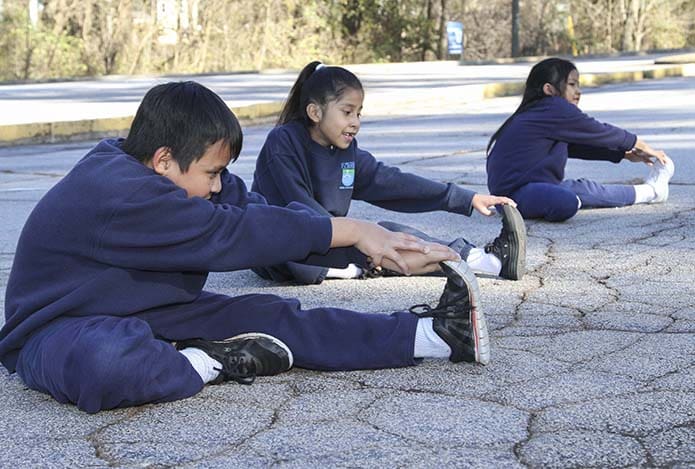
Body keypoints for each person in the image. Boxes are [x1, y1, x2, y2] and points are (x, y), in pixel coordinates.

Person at [0, 81, 491, 414]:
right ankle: (204, 360)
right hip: (55, 331)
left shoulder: (153, 163)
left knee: (273, 317)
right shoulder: (118, 192)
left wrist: (368, 244)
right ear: (164, 160)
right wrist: (352, 230)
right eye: (212, 173)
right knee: (105, 361)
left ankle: (437, 336)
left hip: (149, 308)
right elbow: (232, 236)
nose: (218, 187)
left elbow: (258, 212)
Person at [251, 61, 527, 285]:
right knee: (366, 244)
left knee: (390, 232)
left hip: (335, 239)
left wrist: (466, 198)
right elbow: (300, 211)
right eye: (347, 112)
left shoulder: (345, 148)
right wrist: (358, 238)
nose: (355, 123)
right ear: (314, 112)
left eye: (359, 113)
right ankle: (352, 266)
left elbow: (390, 182)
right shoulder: (283, 143)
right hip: (287, 247)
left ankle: (482, 260)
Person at [486, 57, 675, 222]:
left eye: (578, 84)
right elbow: (599, 131)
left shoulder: (539, 112)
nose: (578, 91)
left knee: (580, 192)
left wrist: (623, 154)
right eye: (572, 84)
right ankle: (652, 192)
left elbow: (573, 147)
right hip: (517, 196)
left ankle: (652, 191)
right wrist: (641, 145)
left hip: (520, 193)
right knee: (569, 199)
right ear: (549, 89)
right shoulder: (554, 108)